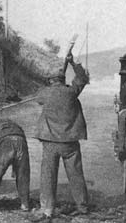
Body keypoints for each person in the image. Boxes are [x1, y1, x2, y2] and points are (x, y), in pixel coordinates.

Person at [34, 53, 90, 220]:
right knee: (76, 174)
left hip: (50, 141)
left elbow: (39, 99)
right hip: (70, 142)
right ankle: (82, 207)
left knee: (48, 175)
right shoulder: (71, 92)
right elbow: (82, 77)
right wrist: (73, 62)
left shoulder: (44, 94)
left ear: (50, 81)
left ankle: (47, 209)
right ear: (62, 79)